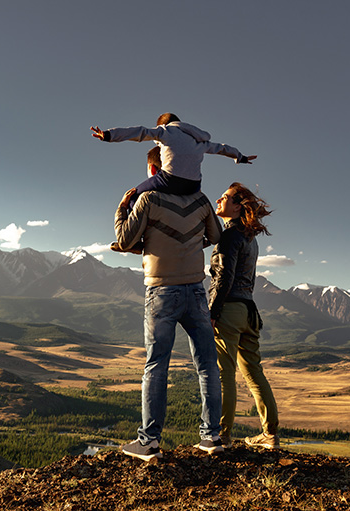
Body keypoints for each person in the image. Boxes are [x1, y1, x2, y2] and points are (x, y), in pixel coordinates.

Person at [114, 183, 224, 460]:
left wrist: (122, 208)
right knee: (208, 365)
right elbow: (216, 234)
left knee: (157, 364)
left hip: (162, 291)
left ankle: (149, 441)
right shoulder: (200, 199)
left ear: (154, 170)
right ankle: (211, 437)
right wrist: (185, 244)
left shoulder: (149, 198)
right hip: (196, 290)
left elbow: (125, 240)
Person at [92, 112, 256, 253]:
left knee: (134, 196)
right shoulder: (197, 139)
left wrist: (108, 135)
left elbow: (139, 132)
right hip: (193, 186)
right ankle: (203, 239)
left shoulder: (165, 131)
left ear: (163, 124)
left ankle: (136, 241)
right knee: (200, 206)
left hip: (169, 179)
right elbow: (221, 148)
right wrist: (239, 157)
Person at [208, 182, 279, 449]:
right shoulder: (250, 237)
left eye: (224, 197)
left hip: (229, 309)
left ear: (237, 207)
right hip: (249, 311)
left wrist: (213, 312)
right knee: (253, 373)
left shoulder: (229, 236)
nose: (218, 199)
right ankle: (269, 434)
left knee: (223, 372)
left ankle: (221, 436)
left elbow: (224, 276)